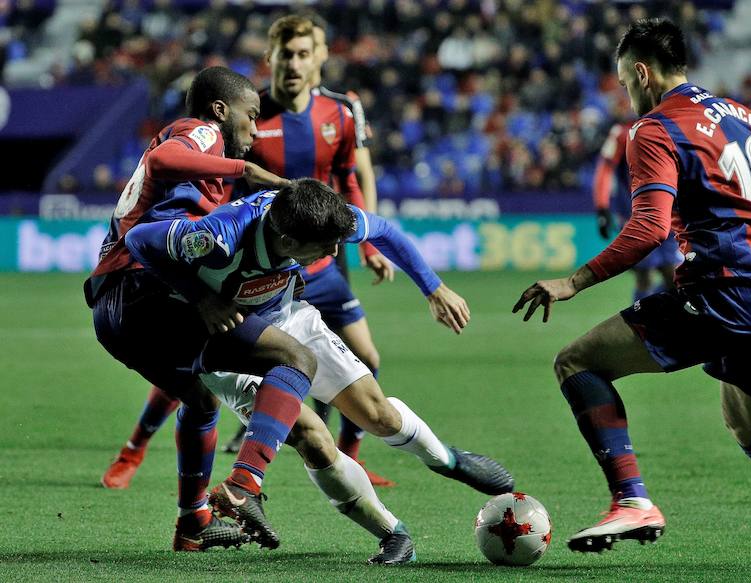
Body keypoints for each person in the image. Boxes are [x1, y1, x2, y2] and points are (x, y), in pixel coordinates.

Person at [513, 18, 751, 567]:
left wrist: (573, 282)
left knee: (576, 362)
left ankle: (632, 500)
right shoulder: (742, 117)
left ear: (642, 73)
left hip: (723, 292)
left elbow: (649, 228)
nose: (627, 94)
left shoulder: (655, 128)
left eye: (626, 82)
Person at [124, 178, 514, 549]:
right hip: (230, 341)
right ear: (289, 240)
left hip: (288, 316)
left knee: (379, 416)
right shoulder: (220, 236)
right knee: (314, 438)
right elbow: (139, 238)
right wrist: (201, 298)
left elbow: (386, 232)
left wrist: (434, 288)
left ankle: (447, 460)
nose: (332, 254)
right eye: (325, 247)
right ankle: (394, 533)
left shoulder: (320, 214)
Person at [86, 65, 294, 550]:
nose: (256, 128)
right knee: (294, 359)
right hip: (141, 291)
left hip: (111, 310)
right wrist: (247, 171)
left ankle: (193, 523)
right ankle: (245, 487)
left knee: (200, 401)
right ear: (222, 111)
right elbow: (162, 162)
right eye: (252, 115)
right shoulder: (201, 133)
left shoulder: (205, 174)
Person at [222, 15, 396, 488]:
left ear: (320, 57)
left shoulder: (340, 110)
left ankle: (347, 456)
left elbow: (353, 177)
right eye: (287, 54)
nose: (295, 63)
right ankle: (135, 449)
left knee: (364, 358)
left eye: (305, 53)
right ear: (271, 58)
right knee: (204, 357)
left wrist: (368, 243)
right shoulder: (252, 112)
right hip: (264, 259)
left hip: (323, 256)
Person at [593, 118, 680, 302]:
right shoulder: (622, 132)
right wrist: (602, 207)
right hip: (636, 218)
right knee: (644, 275)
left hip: (669, 216)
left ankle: (656, 315)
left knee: (675, 276)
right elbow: (605, 169)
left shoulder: (670, 125)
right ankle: (641, 327)